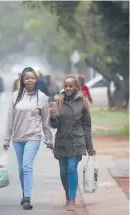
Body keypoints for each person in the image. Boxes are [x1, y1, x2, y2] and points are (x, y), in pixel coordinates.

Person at [3, 67, 53, 210]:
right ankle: (25, 193)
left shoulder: (41, 97)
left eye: (32, 77)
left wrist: (49, 140)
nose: (30, 80)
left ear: (36, 79)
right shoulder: (15, 96)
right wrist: (6, 139)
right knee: (20, 168)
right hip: (17, 137)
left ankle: (27, 197)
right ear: (23, 81)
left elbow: (46, 121)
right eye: (27, 78)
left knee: (27, 165)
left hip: (34, 136)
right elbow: (9, 119)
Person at [49, 74, 96, 211]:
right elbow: (55, 125)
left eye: (71, 86)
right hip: (62, 141)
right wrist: (53, 117)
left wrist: (90, 147)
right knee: (63, 172)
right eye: (66, 86)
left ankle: (73, 200)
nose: (68, 88)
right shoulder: (58, 101)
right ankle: (68, 196)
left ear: (76, 87)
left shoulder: (83, 102)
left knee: (71, 169)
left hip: (77, 140)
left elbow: (87, 126)